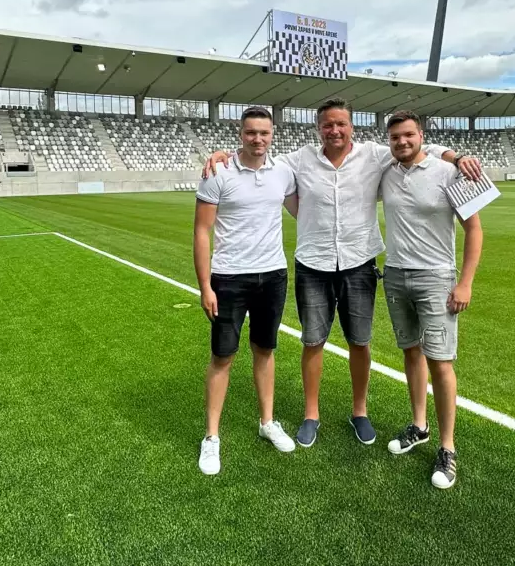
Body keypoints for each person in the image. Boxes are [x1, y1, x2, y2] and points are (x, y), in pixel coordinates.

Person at [203, 98, 481, 449]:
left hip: (359, 263)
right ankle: (311, 414)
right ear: (318, 128)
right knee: (313, 341)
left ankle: (359, 411)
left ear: (352, 127)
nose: (334, 130)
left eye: (341, 124)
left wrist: (455, 156)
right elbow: (258, 153)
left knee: (359, 342)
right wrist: (223, 154)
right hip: (313, 264)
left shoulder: (375, 155)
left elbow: (415, 146)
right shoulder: (298, 160)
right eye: (327, 125)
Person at [379, 111, 484, 490]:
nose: (402, 142)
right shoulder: (387, 171)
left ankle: (447, 447)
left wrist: (465, 283)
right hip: (395, 274)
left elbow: (474, 229)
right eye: (395, 137)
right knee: (410, 351)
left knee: (440, 361)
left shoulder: (450, 173)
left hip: (437, 278)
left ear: (421, 135)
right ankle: (419, 426)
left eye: (409, 135)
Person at [193, 106, 298, 476]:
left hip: (273, 275)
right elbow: (201, 232)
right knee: (223, 357)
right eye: (251, 132)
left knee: (265, 350)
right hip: (229, 279)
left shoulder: (283, 172)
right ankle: (211, 437)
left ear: (272, 134)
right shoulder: (218, 171)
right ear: (241, 134)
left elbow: (305, 211)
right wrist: (205, 286)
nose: (258, 139)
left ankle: (267, 422)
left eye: (264, 133)